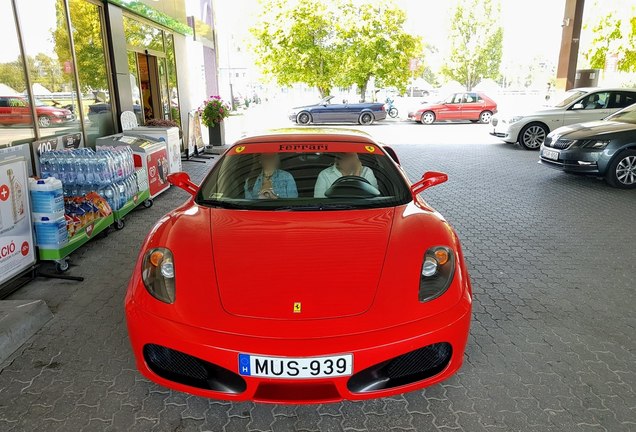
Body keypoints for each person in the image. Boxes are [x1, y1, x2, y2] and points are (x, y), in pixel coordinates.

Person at [314, 153, 378, 198]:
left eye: (352, 157)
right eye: (345, 157)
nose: (351, 161)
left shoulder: (367, 172)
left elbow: (374, 197)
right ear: (337, 160)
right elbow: (319, 201)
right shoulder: (325, 174)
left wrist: (356, 173)